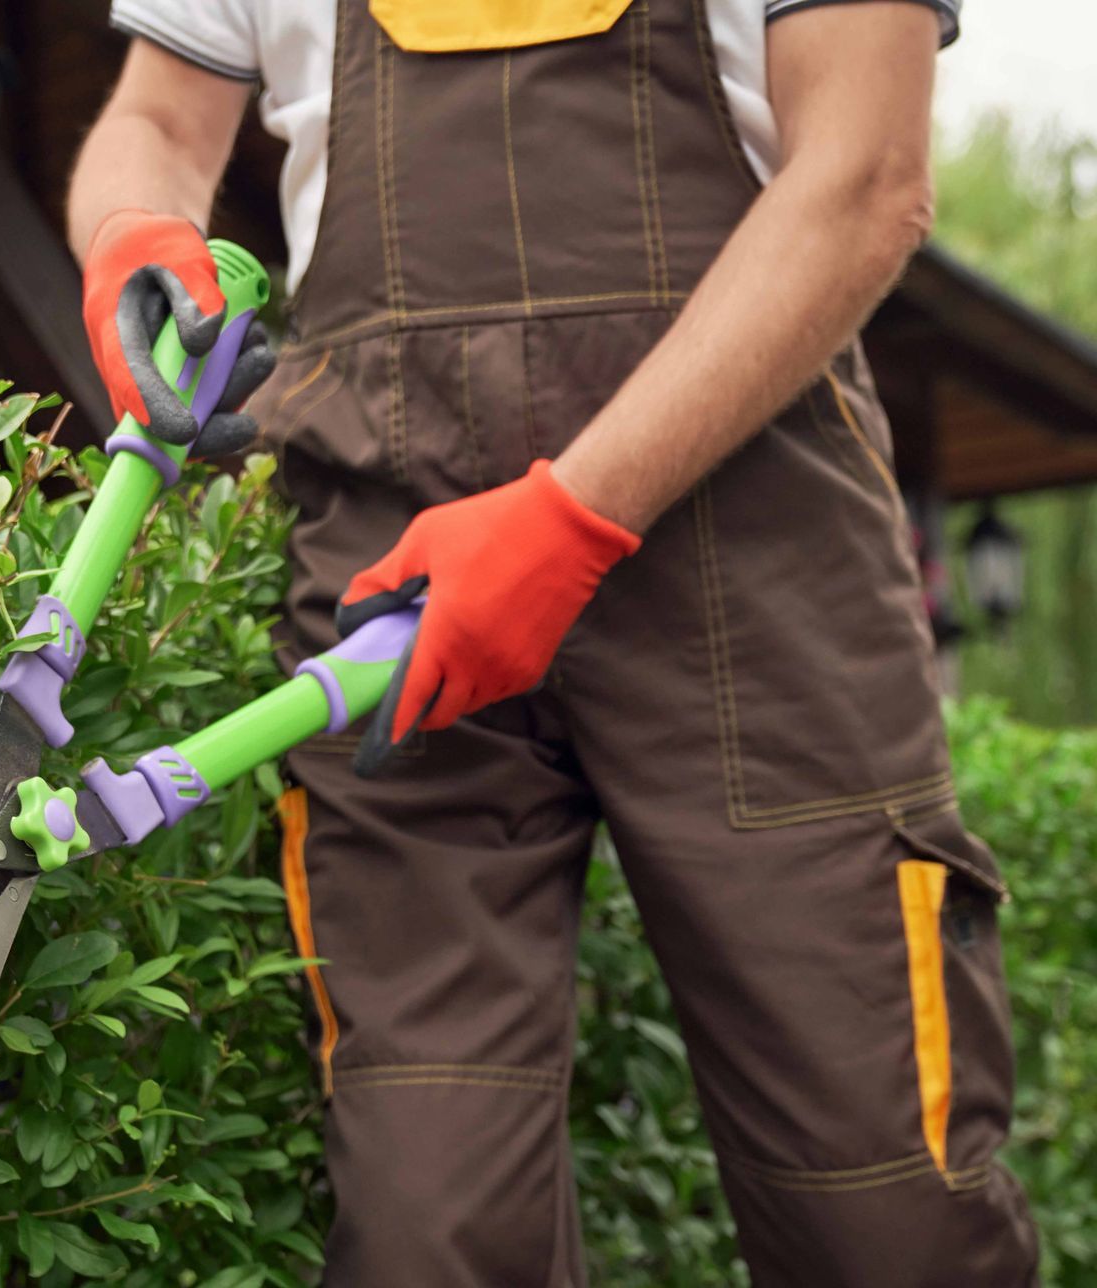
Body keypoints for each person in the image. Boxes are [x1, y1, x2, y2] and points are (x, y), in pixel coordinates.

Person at [65, 0, 1040, 1283]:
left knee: (884, 1220)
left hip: (757, 565)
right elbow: (155, 117)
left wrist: (572, 519)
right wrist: (130, 232)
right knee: (427, 1236)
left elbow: (865, 178)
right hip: (392, 598)